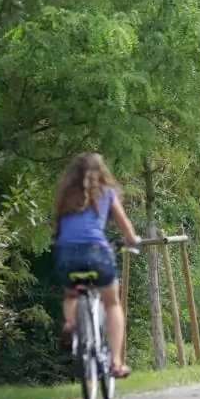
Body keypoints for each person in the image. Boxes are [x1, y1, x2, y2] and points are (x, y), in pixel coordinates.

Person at [52, 153, 140, 378]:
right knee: (112, 303)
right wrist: (133, 242)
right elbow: (125, 225)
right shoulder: (107, 194)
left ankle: (72, 323)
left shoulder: (65, 198)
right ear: (102, 173)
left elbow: (59, 229)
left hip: (66, 255)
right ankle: (116, 363)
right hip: (96, 252)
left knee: (71, 296)